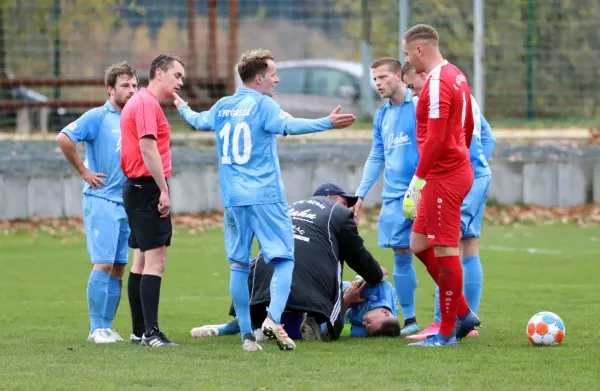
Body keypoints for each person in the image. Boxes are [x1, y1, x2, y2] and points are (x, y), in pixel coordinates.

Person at [173, 49, 356, 352]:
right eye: (273, 74)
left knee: (238, 265)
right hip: (265, 197)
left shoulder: (223, 105)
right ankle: (273, 320)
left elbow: (198, 121)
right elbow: (292, 125)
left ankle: (247, 336)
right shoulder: (264, 105)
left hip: (233, 199)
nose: (276, 79)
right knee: (284, 258)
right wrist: (327, 122)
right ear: (258, 78)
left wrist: (181, 106)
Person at [190, 184, 398, 342]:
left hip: (261, 279)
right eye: (344, 203)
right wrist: (376, 275)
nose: (348, 209)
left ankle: (234, 328)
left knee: (276, 324)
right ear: (328, 198)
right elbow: (358, 256)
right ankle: (316, 318)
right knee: (329, 283)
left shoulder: (290, 207)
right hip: (307, 282)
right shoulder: (336, 213)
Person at [401, 63, 497, 341]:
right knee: (422, 244)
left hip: (455, 176)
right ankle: (463, 314)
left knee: (454, 247)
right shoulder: (456, 85)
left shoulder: (442, 92)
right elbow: (483, 133)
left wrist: (467, 163)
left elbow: (439, 139)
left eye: (411, 85)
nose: (412, 93)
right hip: (454, 174)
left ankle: (448, 326)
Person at [56, 61, 138, 343]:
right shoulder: (97, 117)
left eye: (134, 85)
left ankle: (107, 326)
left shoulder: (134, 118)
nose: (131, 90)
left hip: (125, 202)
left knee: (118, 267)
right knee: (102, 264)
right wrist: (84, 171)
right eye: (125, 85)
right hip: (101, 200)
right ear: (110, 89)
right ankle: (95, 329)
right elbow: (64, 137)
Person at [120, 53, 185, 348]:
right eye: (177, 75)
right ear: (159, 73)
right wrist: (164, 190)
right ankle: (151, 333)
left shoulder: (140, 102)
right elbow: (148, 149)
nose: (181, 82)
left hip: (136, 187)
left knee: (141, 260)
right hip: (146, 188)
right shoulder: (146, 103)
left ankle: (139, 331)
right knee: (156, 262)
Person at [352, 57, 420, 336]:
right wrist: (360, 194)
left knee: (439, 254)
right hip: (394, 198)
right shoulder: (382, 115)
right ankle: (412, 320)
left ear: (400, 76)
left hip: (421, 193)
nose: (378, 83)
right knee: (401, 255)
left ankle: (448, 318)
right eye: (375, 79)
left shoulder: (418, 108)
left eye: (383, 77)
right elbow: (376, 154)